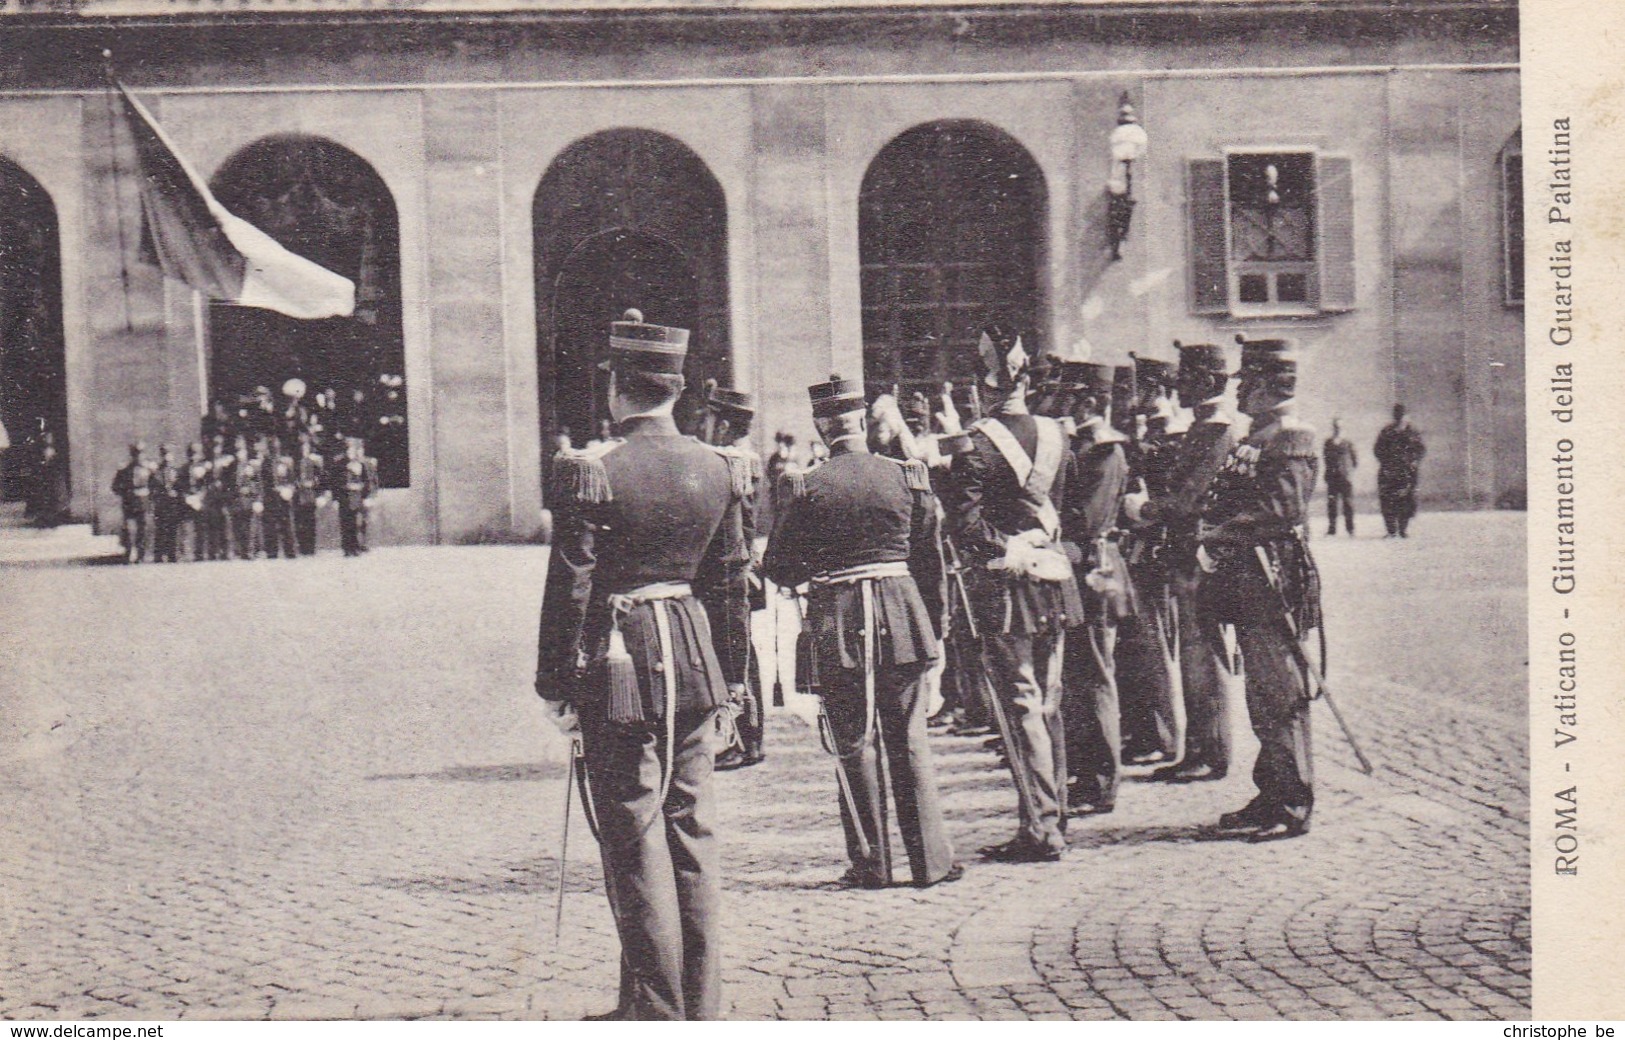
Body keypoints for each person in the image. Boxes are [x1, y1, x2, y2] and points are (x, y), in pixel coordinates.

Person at [534, 309, 749, 1020]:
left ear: (619, 390)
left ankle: (657, 1013)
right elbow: (729, 586)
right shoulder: (719, 467)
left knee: (631, 834)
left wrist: (556, 686)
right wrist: (734, 682)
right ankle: (698, 1003)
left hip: (621, 661)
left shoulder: (591, 469)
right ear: (676, 389)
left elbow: (571, 584)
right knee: (691, 830)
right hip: (693, 655)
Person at [763, 374, 960, 890]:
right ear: (862, 424)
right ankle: (930, 863)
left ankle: (872, 862)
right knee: (910, 737)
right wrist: (934, 629)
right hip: (902, 614)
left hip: (839, 619)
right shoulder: (908, 475)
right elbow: (928, 558)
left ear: (821, 426)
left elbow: (780, 567)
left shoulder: (806, 484)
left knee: (854, 739)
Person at [939, 326, 1084, 863]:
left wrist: (1007, 545)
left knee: (1022, 703)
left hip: (1007, 589)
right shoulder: (1057, 434)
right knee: (1049, 702)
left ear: (982, 384)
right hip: (1055, 581)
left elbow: (967, 528)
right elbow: (1065, 508)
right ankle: (1054, 813)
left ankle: (1041, 827)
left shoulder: (976, 443)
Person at [1199, 337, 1321, 842]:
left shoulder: (1290, 437)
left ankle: (1292, 801)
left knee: (1280, 692)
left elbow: (1280, 513)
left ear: (1274, 385)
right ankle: (1270, 790)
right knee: (1261, 695)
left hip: (1273, 581)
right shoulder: (1260, 435)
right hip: (1248, 580)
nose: (1242, 391)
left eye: (1249, 382)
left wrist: (1216, 532)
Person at [1125, 342, 1237, 784]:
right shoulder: (1201, 428)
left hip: (1200, 559)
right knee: (1192, 658)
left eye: (1188, 380)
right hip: (1185, 556)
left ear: (1210, 382)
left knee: (1202, 658)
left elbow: (1188, 500)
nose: (1178, 387)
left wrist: (1143, 510)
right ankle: (1199, 747)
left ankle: (1212, 751)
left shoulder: (1215, 431)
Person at [1058, 363, 1132, 815]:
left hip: (1095, 569)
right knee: (1080, 677)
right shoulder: (1082, 446)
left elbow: (1087, 519)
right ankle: (1087, 771)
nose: (1063, 405)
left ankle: (1103, 779)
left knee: (1096, 676)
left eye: (1071, 397)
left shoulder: (1104, 451)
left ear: (1088, 402)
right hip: (1080, 567)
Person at [1114, 354, 1183, 767]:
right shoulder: (1147, 434)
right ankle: (1144, 731)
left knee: (1151, 645)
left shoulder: (1171, 436)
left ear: (1156, 390)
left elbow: (1167, 502)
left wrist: (1139, 511)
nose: (1132, 399)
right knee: (1135, 646)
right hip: (1137, 550)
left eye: (1138, 389)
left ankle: (1162, 734)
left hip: (1155, 552)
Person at [703, 383, 768, 772]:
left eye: (711, 418)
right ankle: (748, 736)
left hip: (732, 570)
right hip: (740, 568)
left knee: (737, 655)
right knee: (741, 652)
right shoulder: (742, 458)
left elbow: (740, 525)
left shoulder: (734, 462)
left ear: (724, 423)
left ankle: (747, 739)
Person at [1374, 404, 1425, 537]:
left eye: (1402, 416)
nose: (1400, 419)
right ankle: (1391, 530)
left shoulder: (1413, 432)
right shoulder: (1386, 431)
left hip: (1407, 471)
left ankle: (1403, 529)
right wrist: (1385, 463)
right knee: (1387, 500)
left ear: (1406, 417)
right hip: (1389, 471)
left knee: (1406, 499)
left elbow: (1420, 450)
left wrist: (1414, 462)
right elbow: (1378, 449)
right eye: (1397, 416)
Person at [336, 438, 379, 557]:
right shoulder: (340, 464)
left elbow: (366, 481)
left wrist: (363, 491)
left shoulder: (361, 465)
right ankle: (346, 548)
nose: (351, 453)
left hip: (356, 497)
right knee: (345, 523)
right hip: (345, 497)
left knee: (355, 523)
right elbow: (336, 482)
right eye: (349, 450)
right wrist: (346, 487)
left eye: (353, 450)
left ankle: (355, 547)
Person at [111, 443, 152, 565]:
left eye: (140, 454)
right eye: (136, 454)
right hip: (129, 503)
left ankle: (141, 555)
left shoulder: (148, 470)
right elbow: (115, 487)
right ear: (132, 455)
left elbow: (155, 485)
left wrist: (148, 494)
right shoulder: (124, 470)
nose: (138, 456)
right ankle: (128, 553)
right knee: (128, 530)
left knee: (142, 530)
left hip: (143, 504)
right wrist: (126, 492)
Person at [261, 436, 299, 560]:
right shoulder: (265, 463)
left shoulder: (285, 463)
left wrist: (288, 489)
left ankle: (290, 551)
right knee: (270, 526)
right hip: (270, 497)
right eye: (272, 446)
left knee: (286, 524)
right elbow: (263, 482)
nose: (274, 449)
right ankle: (272, 552)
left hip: (283, 498)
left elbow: (292, 480)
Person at [292, 432, 326, 556]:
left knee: (310, 521)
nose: (304, 450)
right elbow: (293, 479)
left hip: (310, 496)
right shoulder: (296, 463)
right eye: (303, 448)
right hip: (299, 496)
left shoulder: (314, 463)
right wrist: (300, 485)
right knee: (299, 522)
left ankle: (310, 548)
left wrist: (314, 486)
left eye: (307, 448)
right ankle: (302, 547)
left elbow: (320, 478)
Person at [1322, 419, 1358, 536]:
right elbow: (1326, 458)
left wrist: (1348, 472)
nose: (1338, 429)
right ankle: (1332, 529)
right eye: (1336, 427)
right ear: (1333, 427)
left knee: (1348, 503)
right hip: (1332, 477)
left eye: (1340, 427)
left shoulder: (1348, 443)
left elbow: (1354, 460)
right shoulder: (1328, 442)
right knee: (1332, 503)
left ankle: (1350, 529)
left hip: (1345, 477)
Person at [150, 444, 185, 563]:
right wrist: (158, 495)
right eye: (164, 454)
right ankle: (159, 555)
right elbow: (152, 487)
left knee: (173, 529)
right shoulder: (156, 472)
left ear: (173, 456)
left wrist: (176, 493)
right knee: (161, 528)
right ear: (161, 455)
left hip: (173, 504)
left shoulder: (177, 471)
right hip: (161, 504)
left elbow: (181, 487)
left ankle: (173, 554)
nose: (166, 457)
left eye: (169, 454)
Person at [181, 442, 210, 561]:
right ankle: (187, 553)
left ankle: (201, 553)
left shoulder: (204, 468)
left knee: (201, 528)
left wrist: (200, 497)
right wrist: (187, 497)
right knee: (187, 528)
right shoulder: (183, 469)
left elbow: (206, 485)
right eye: (191, 454)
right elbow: (181, 486)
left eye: (196, 453)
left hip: (200, 501)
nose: (194, 456)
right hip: (188, 501)